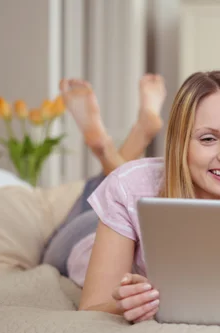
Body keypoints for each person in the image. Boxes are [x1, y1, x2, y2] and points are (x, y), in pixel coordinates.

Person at [73, 70, 220, 324]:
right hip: (82, 237)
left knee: (116, 178)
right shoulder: (127, 187)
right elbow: (91, 308)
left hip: (126, 195)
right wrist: (129, 305)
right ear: (180, 144)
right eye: (208, 139)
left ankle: (121, 143)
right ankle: (107, 146)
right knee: (94, 194)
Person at [42, 73, 167, 276]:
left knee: (101, 192)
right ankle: (116, 145)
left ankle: (112, 147)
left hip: (82, 234)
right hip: (95, 232)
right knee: (108, 196)